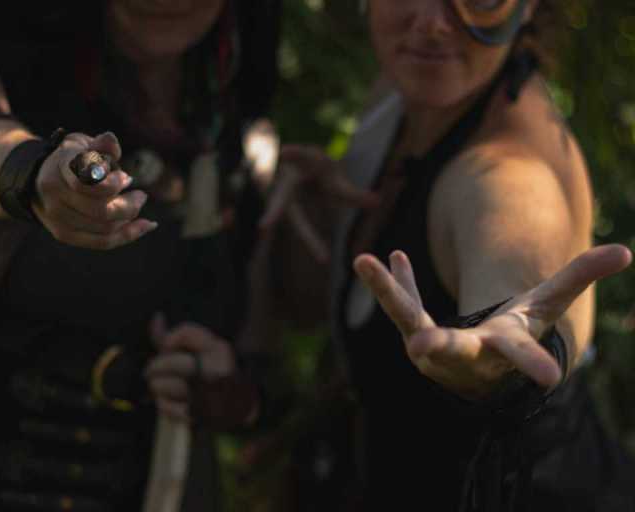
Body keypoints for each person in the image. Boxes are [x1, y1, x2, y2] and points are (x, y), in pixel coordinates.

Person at [266, 1, 635, 510]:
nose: (432, 23)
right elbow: (307, 307)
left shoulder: (508, 174)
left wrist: (499, 351)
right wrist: (312, 209)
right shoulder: (406, 93)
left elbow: (517, 258)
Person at [0, 0, 280, 510]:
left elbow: (256, 357)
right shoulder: (17, 59)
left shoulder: (232, 115)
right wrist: (35, 172)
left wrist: (226, 390)